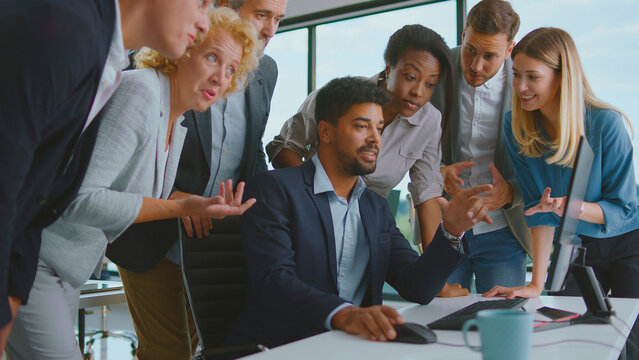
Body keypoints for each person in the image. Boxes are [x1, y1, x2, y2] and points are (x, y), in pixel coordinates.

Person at [5, 8, 259, 360]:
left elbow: (124, 193)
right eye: (212, 58)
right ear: (185, 51)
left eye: (231, 69)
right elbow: (80, 197)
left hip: (69, 269)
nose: (221, 77)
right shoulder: (142, 92)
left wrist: (194, 203)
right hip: (39, 262)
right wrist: (180, 207)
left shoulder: (177, 123)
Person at [227, 77, 494, 347]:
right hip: (281, 347)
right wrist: (344, 314)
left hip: (355, 347)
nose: (375, 139)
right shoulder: (272, 190)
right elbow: (273, 280)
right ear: (325, 132)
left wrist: (451, 231)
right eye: (361, 126)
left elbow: (418, 287)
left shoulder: (375, 207)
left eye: (378, 128)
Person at [103, 0, 285, 359]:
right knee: (167, 352)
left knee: (197, 347)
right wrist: (176, 198)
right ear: (224, 7)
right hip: (150, 231)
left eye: (278, 20)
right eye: (262, 14)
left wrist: (273, 206)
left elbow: (252, 151)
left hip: (212, 240)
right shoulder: (169, 48)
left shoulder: (267, 72)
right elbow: (125, 145)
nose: (270, 30)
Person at [267, 25, 471, 296]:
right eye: (410, 77)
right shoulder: (340, 97)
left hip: (369, 216)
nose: (418, 92)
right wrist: (318, 204)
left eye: (430, 84)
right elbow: (284, 147)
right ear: (389, 67)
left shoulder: (429, 123)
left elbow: (427, 194)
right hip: (309, 213)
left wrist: (438, 278)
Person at [483, 27, 639, 358]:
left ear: (561, 77)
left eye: (532, 77)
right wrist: (537, 283)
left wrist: (573, 207)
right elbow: (539, 213)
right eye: (516, 75)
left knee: (630, 339)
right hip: (576, 245)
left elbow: (624, 208)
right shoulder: (518, 130)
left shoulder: (606, 124)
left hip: (630, 240)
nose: (521, 87)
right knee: (569, 334)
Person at [429, 0, 531, 293]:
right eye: (471, 49)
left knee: (501, 326)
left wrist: (511, 191)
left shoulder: (526, 85)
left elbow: (545, 160)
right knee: (436, 322)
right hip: (444, 225)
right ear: (464, 34)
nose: (476, 65)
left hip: (503, 231)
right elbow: (411, 141)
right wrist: (440, 171)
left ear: (510, 49)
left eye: (490, 56)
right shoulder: (437, 72)